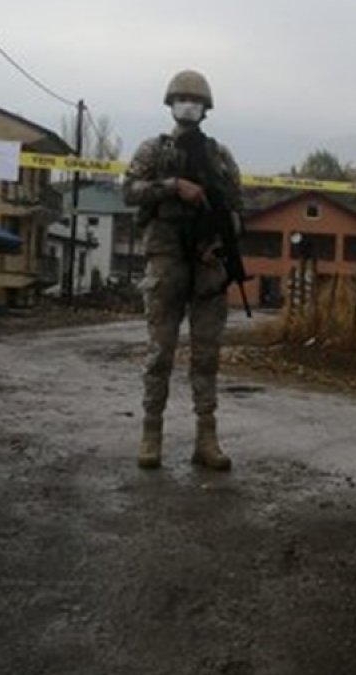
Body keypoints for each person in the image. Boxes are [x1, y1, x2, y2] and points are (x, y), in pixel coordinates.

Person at [123, 70, 243, 471]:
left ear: (206, 109)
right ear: (171, 104)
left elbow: (235, 208)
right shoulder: (153, 151)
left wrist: (220, 245)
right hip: (166, 257)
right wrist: (173, 185)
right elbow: (129, 190)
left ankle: (206, 438)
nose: (189, 105)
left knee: (206, 356)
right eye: (182, 98)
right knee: (160, 353)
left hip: (208, 263)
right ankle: (150, 434)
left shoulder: (219, 156)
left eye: (196, 100)